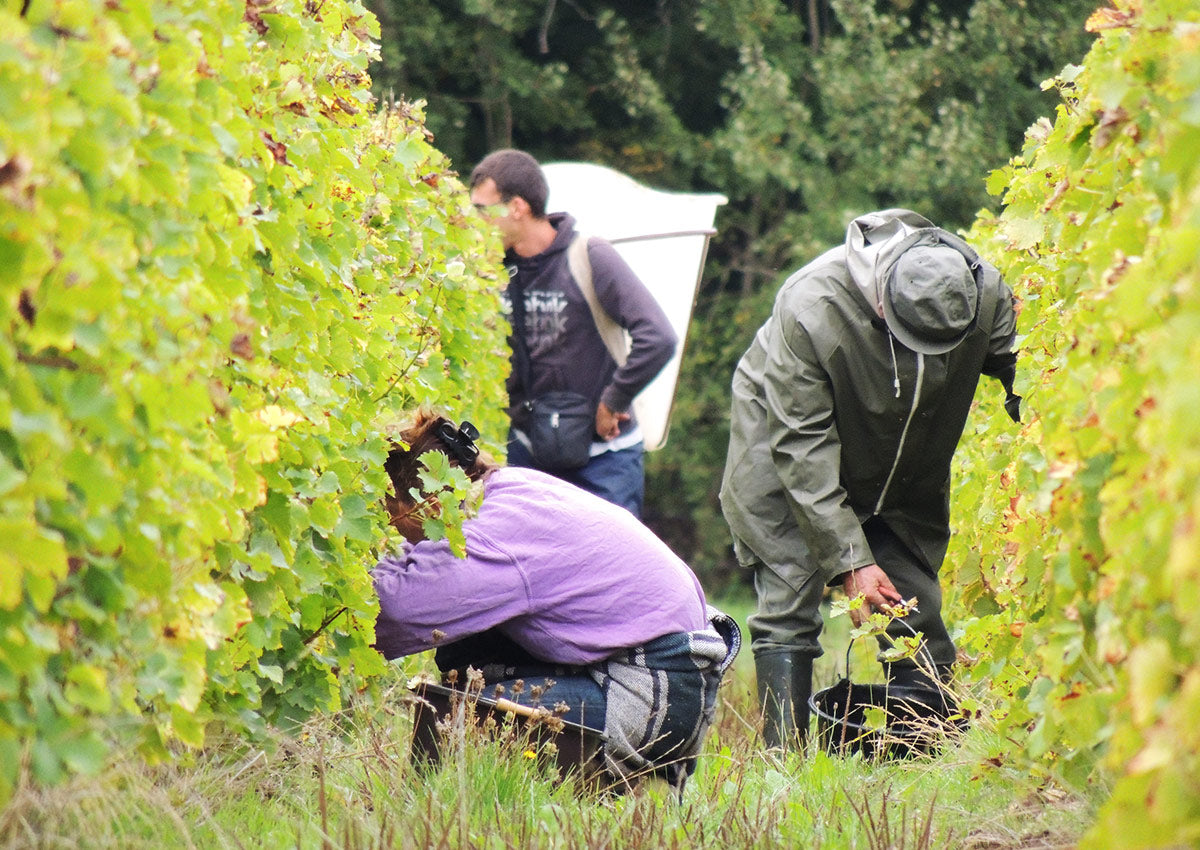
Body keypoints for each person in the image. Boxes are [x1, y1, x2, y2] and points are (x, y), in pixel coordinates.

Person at [718, 209, 1021, 750]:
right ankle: (783, 764)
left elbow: (1031, 375)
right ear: (883, 300)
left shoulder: (985, 291)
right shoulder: (811, 308)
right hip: (784, 442)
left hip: (904, 455)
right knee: (790, 590)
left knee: (912, 601)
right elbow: (802, 448)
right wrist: (851, 562)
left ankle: (926, 751)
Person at [372, 411, 740, 789]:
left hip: (649, 696)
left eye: (394, 521)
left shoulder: (494, 534)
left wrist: (365, 568)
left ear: (424, 503)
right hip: (670, 680)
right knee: (468, 659)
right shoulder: (511, 489)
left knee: (453, 716)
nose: (397, 535)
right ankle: (621, 786)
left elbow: (393, 615)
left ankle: (613, 784)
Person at [467, 149, 677, 518]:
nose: (476, 221)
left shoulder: (588, 255)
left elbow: (658, 337)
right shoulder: (491, 270)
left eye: (484, 210)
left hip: (603, 461)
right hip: (529, 459)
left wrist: (613, 400)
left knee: (611, 572)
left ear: (517, 207)